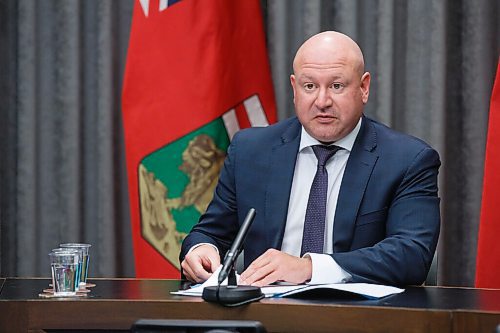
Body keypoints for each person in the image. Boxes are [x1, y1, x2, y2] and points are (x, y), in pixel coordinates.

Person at [179, 31, 440, 287]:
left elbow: (412, 255)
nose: (322, 101)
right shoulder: (250, 150)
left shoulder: (407, 160)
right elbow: (211, 232)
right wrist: (202, 249)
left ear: (364, 87)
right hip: (262, 317)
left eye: (336, 86)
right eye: (310, 86)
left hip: (357, 319)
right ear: (295, 88)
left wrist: (310, 268)